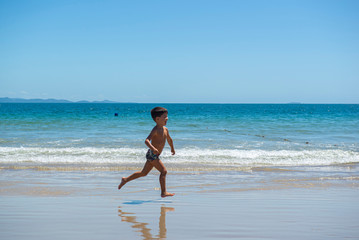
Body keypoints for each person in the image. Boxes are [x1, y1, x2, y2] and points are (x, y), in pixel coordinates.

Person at [118, 107, 175, 197]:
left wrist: (172, 148)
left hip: (154, 155)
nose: (167, 118)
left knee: (143, 173)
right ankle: (163, 192)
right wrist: (153, 148)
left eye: (167, 116)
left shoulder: (165, 129)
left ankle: (125, 180)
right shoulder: (155, 129)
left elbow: (169, 139)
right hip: (152, 154)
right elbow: (146, 141)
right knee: (163, 171)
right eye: (165, 117)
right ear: (157, 119)